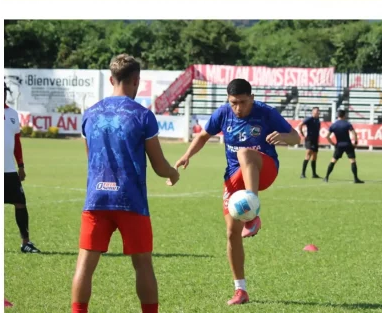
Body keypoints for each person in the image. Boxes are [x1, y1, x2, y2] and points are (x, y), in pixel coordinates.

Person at [71, 54, 181, 313]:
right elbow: (159, 166)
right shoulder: (143, 116)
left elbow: (91, 159)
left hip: (96, 199)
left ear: (111, 80)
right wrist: (173, 173)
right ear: (136, 80)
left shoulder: (90, 115)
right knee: (142, 264)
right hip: (130, 200)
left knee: (85, 264)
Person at [175, 79, 300, 306]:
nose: (238, 108)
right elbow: (203, 136)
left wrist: (283, 137)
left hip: (264, 169)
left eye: (242, 102)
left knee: (244, 153)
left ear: (252, 97)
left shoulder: (266, 113)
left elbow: (296, 137)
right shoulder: (223, 113)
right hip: (234, 177)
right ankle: (240, 290)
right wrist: (187, 155)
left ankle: (253, 213)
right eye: (233, 103)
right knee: (232, 233)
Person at [4, 89, 40, 253]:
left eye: (4, 91)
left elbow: (16, 142)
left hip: (10, 170)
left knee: (20, 203)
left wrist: (21, 165)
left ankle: (26, 242)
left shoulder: (12, 114)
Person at [323, 110, 364, 183]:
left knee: (333, 161)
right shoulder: (347, 124)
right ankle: (355, 179)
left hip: (339, 145)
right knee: (352, 161)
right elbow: (354, 133)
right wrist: (355, 142)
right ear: (344, 115)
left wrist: (333, 143)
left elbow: (327, 136)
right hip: (348, 144)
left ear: (338, 115)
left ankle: (326, 177)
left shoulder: (333, 125)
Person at [299, 107, 322, 179]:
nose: (317, 112)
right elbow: (300, 125)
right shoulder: (309, 119)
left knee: (314, 156)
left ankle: (314, 174)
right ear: (313, 112)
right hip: (309, 139)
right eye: (316, 111)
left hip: (315, 140)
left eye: (318, 111)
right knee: (308, 155)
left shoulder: (318, 120)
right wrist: (302, 134)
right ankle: (302, 174)